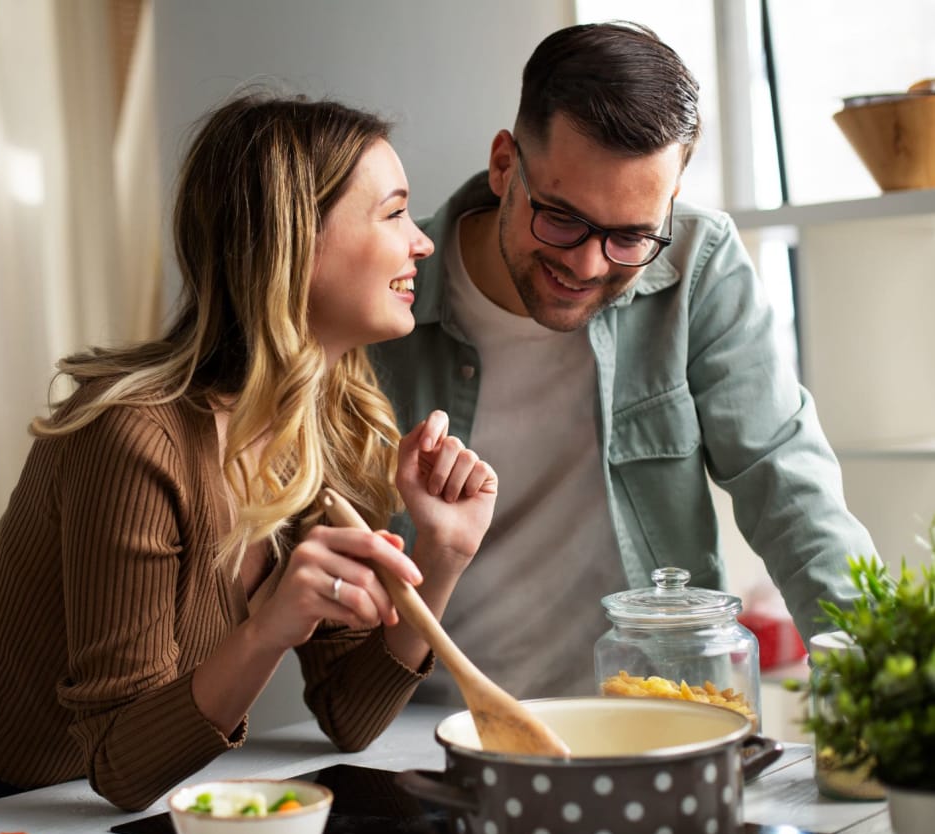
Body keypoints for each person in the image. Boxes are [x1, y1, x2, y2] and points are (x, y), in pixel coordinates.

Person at [0, 90, 498, 822]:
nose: (421, 241)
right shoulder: (132, 438)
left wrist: (445, 554)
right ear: (295, 241)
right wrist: (267, 629)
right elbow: (119, 763)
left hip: (112, 801)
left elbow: (352, 717)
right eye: (393, 213)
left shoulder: (330, 423)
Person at [369, 22, 876, 706]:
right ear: (502, 166)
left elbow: (787, 483)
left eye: (631, 236)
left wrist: (878, 683)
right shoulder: (386, 287)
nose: (586, 265)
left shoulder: (698, 261)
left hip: (658, 715)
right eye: (561, 218)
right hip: (433, 731)